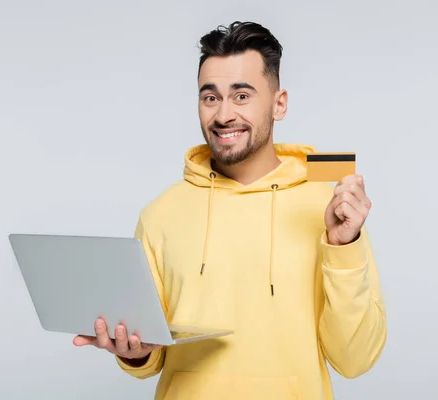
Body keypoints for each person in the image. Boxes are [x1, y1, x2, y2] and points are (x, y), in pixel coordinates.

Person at [73, 20, 387, 399]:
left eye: (241, 96)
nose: (223, 116)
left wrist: (343, 245)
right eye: (210, 97)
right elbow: (149, 355)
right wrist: (136, 354)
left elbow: (356, 359)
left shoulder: (330, 205)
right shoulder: (160, 214)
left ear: (279, 103)